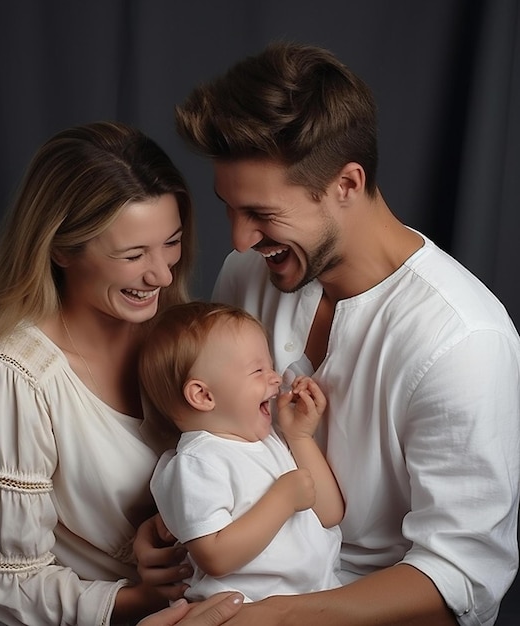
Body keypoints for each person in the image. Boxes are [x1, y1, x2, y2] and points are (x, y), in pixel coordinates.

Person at [133, 42, 520, 625]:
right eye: (230, 209)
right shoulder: (249, 273)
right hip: (242, 588)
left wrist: (286, 616)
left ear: (347, 183)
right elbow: (221, 445)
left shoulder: (463, 341)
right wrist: (170, 529)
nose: (239, 240)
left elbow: (461, 577)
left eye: (262, 213)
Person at [0, 119, 231, 626]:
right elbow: (7, 582)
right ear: (60, 248)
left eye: (171, 242)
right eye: (133, 255)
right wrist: (146, 600)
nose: (163, 274)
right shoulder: (15, 374)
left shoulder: (180, 331)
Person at [139, 301, 343, 603]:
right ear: (203, 395)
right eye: (258, 370)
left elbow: (329, 513)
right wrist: (282, 499)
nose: (276, 377)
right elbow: (215, 556)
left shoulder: (268, 440)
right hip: (244, 611)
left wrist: (299, 436)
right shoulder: (196, 463)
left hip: (316, 598)